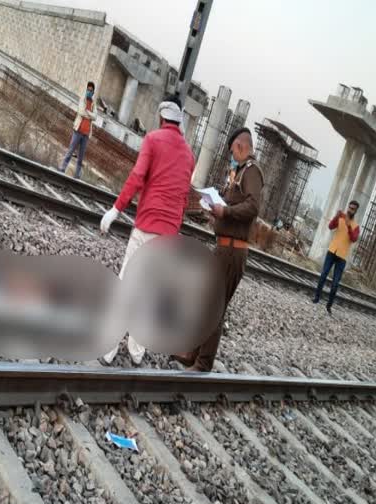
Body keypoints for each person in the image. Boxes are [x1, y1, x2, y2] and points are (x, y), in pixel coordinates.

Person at [98, 95, 195, 365]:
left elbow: (137, 177)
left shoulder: (153, 139)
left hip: (146, 227)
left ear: (162, 116)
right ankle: (137, 351)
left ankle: (109, 349)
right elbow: (183, 197)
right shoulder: (189, 155)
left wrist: (116, 209)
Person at [172, 127, 264, 372]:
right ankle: (192, 351)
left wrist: (226, 212)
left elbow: (253, 206)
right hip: (224, 247)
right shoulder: (240, 173)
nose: (232, 155)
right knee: (206, 298)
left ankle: (203, 363)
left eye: (233, 150)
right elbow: (234, 205)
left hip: (233, 251)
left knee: (215, 304)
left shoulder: (252, 172)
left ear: (241, 147)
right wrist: (215, 211)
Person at [312, 200, 361, 314]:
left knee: (335, 283)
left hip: (342, 257)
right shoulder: (341, 218)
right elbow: (330, 226)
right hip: (332, 251)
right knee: (323, 275)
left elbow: (353, 239)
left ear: (356, 211)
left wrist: (349, 226)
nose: (350, 210)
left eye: (353, 209)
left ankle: (329, 305)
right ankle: (316, 298)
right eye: (349, 207)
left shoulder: (356, 226)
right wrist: (336, 217)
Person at [58, 82, 98, 179]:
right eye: (88, 89)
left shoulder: (93, 104)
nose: (89, 91)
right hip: (78, 130)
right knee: (70, 150)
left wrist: (87, 113)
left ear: (93, 92)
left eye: (91, 90)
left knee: (81, 156)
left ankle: (77, 175)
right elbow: (80, 112)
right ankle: (62, 168)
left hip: (86, 134)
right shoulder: (82, 100)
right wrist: (89, 115)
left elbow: (95, 117)